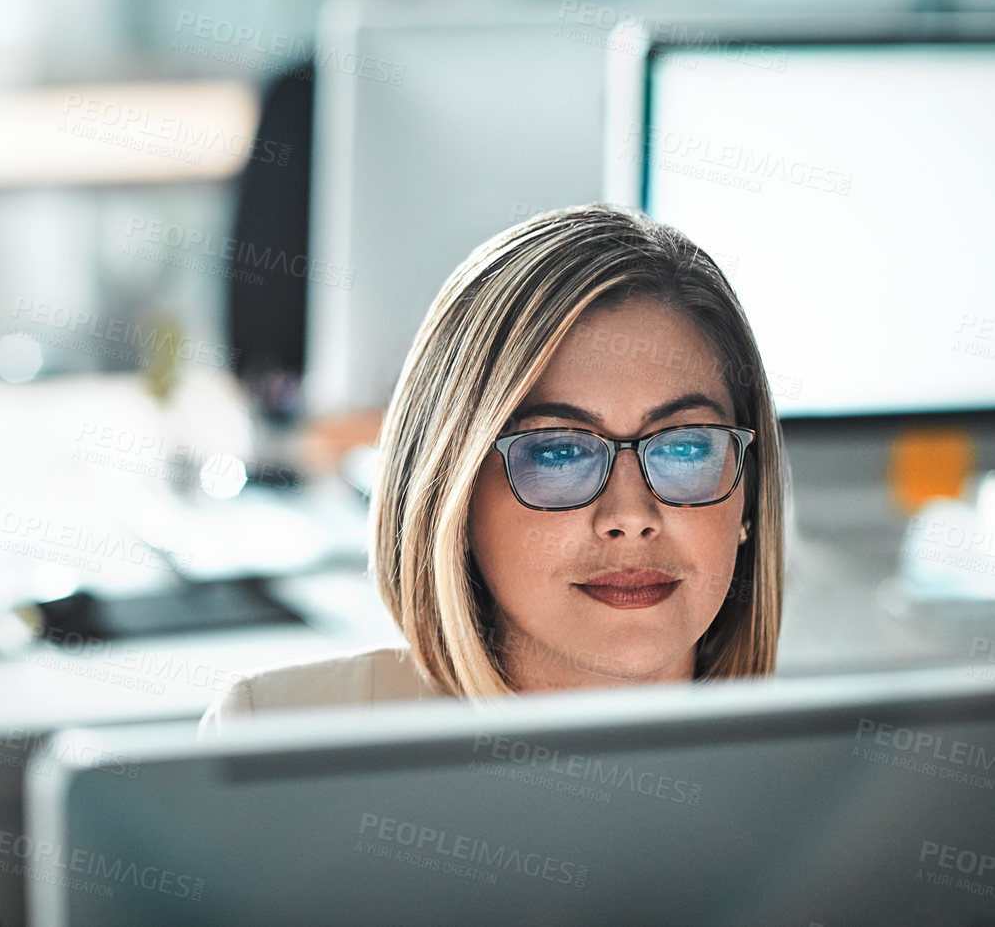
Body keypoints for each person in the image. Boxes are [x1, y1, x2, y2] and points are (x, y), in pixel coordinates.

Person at [199, 203, 785, 732]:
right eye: (558, 451)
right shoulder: (276, 737)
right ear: (454, 496)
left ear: (749, 500)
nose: (631, 516)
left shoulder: (839, 783)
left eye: (685, 449)